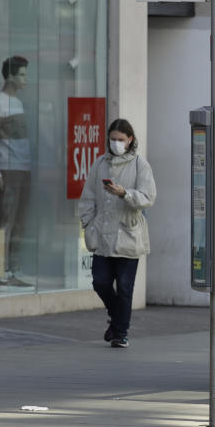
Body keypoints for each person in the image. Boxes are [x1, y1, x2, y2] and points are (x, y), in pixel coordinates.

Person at [78, 118, 156, 348]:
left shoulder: (141, 165)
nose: (116, 143)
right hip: (103, 235)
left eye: (120, 140)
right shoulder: (100, 163)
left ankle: (121, 332)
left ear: (130, 139)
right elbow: (88, 197)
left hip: (128, 236)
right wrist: (88, 223)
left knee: (124, 286)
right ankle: (117, 317)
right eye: (112, 139)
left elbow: (148, 197)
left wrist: (124, 194)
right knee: (100, 282)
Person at [0, 56, 32, 287]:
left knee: (20, 221)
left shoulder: (19, 103)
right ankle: (1, 271)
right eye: (22, 75)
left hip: (23, 169)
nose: (26, 79)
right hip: (8, 169)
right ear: (11, 76)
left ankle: (14, 268)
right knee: (6, 220)